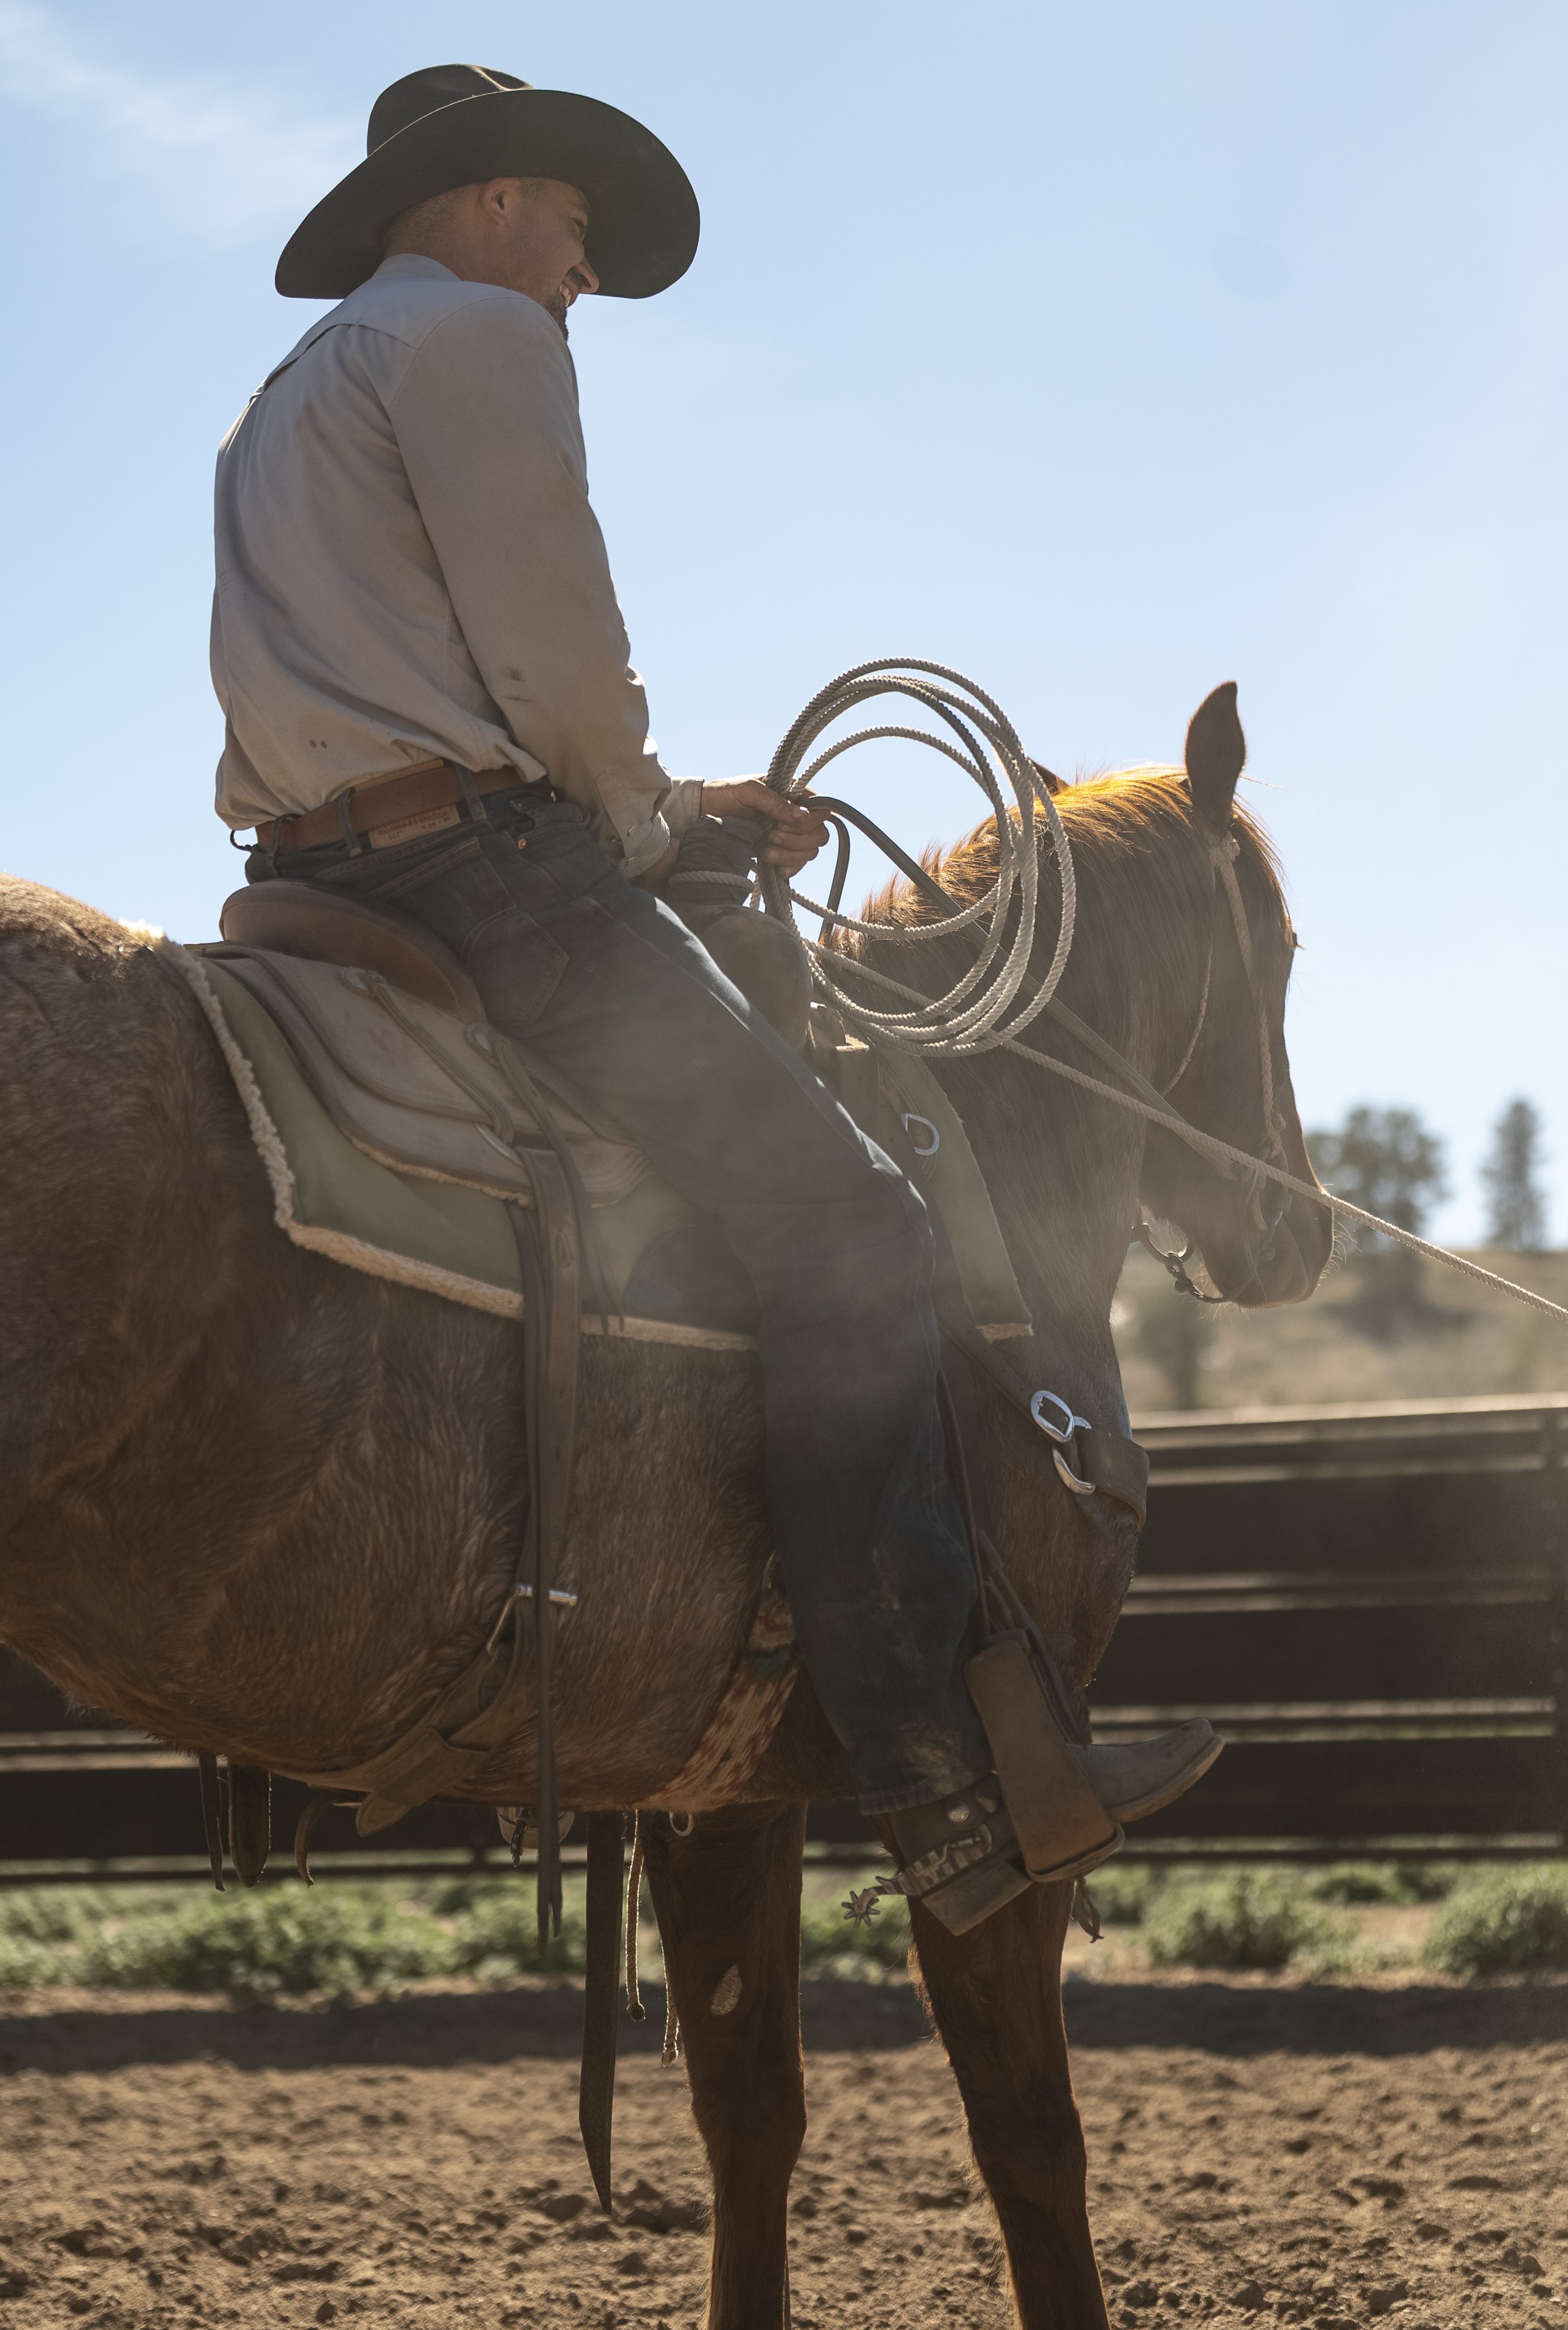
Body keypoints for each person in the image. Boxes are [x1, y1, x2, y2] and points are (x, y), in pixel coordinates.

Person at [212, 63, 1205, 1932]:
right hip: (488, 879)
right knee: (851, 1231)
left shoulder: (295, 389)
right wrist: (655, 814)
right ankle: (938, 1769)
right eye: (578, 232)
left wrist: (670, 809)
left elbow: (421, 681)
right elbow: (554, 663)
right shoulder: (477, 338)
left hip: (308, 872)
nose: (583, 274)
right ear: (497, 200)